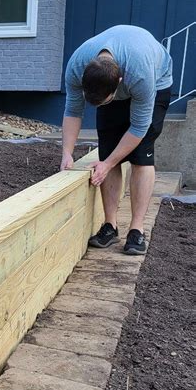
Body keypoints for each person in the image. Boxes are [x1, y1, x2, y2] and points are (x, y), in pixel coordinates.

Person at [60, 25, 172, 255]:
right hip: (116, 78)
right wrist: (67, 153)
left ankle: (137, 230)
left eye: (103, 102)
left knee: (142, 156)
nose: (98, 108)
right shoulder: (76, 66)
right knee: (107, 150)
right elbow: (72, 110)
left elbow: (140, 126)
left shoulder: (140, 74)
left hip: (156, 80)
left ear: (119, 82)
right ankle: (110, 225)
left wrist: (109, 164)